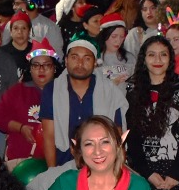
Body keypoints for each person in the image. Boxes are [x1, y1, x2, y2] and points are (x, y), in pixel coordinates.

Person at [123, 35, 179, 190]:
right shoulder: (133, 88)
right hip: (147, 168)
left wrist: (175, 173)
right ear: (144, 59)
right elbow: (132, 135)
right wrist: (146, 172)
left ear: (170, 58)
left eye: (163, 55)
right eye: (152, 55)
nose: (157, 60)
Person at [40, 37, 127, 168]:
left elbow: (117, 135)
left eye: (87, 58)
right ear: (66, 61)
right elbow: (49, 136)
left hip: (101, 166)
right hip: (63, 166)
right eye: (74, 57)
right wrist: (52, 173)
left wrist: (115, 170)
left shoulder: (109, 91)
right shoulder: (52, 90)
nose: (80, 63)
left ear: (95, 63)